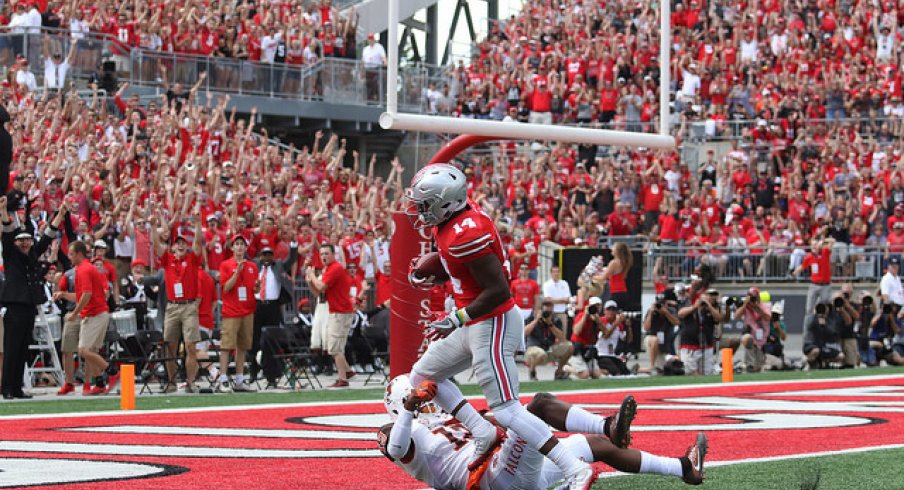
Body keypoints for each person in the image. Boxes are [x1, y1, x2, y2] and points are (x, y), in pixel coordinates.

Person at [403, 164, 593, 488]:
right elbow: (472, 273)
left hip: (491, 321)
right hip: (474, 319)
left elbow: (499, 290)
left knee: (506, 408)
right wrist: (439, 274)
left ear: (445, 203)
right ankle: (482, 431)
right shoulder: (458, 218)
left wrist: (455, 318)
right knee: (422, 375)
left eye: (425, 204)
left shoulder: (465, 234)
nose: (420, 212)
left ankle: (575, 468)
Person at [378, 375, 707, 489]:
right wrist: (409, 409)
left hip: (507, 470)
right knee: (537, 406)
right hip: (488, 480)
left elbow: (495, 427)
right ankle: (606, 428)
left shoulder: (449, 421)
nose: (430, 401)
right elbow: (395, 448)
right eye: (423, 398)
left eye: (428, 395)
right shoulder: (397, 430)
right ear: (401, 403)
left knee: (596, 445)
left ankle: (683, 468)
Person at [0, 196, 63, 399]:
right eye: (22, 240)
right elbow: (7, 235)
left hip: (29, 305)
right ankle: (7, 388)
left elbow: (47, 237)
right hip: (14, 305)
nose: (25, 243)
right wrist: (3, 212)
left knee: (23, 348)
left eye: (27, 240)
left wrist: (60, 215)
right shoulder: (11, 253)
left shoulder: (33, 253)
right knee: (11, 348)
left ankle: (17, 387)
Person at [57, 240, 119, 396]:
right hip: (95, 313)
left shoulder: (84, 269)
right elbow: (81, 295)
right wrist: (63, 294)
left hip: (95, 314)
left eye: (71, 254)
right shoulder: (83, 269)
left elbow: (86, 295)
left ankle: (112, 372)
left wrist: (75, 313)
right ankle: (99, 383)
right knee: (90, 350)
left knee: (83, 350)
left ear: (78, 254)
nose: (69, 257)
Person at [153, 215, 204, 393]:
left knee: (190, 345)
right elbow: (157, 247)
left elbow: (198, 245)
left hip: (189, 305)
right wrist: (153, 227)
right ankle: (172, 383)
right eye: (178, 243)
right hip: (173, 306)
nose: (181, 245)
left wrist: (197, 224)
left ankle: (190, 382)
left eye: (183, 242)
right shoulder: (168, 259)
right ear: (173, 246)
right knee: (170, 345)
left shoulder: (192, 259)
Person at [305, 243, 355, 388]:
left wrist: (313, 276)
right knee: (336, 345)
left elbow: (321, 287)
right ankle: (348, 371)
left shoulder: (335, 268)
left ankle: (342, 379)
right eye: (322, 254)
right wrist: (310, 282)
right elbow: (319, 294)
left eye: (327, 253)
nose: (324, 256)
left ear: (333, 255)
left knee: (333, 348)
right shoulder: (329, 269)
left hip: (340, 312)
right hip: (337, 310)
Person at [217, 235, 259, 393]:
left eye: (242, 244)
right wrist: (237, 273)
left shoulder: (252, 266)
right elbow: (226, 288)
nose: (240, 247)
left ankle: (239, 380)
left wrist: (257, 287)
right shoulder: (225, 265)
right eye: (237, 244)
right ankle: (223, 379)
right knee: (226, 346)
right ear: (232, 247)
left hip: (247, 310)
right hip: (231, 311)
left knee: (243, 346)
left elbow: (253, 290)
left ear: (246, 248)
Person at [252, 241, 298, 383]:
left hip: (273, 307)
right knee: (254, 341)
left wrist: (294, 245)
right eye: (264, 254)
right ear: (260, 256)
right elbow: (245, 256)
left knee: (272, 340)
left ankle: (271, 375)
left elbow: (291, 259)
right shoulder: (254, 266)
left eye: (269, 254)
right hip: (257, 306)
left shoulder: (278, 265)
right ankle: (253, 372)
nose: (266, 257)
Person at [523, 300, 573, 381]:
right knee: (540, 353)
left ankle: (559, 372)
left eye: (549, 311)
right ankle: (532, 370)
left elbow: (562, 337)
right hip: (533, 350)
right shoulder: (531, 318)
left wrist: (550, 324)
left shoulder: (555, 320)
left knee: (569, 347)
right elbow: (525, 333)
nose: (546, 313)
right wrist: (536, 320)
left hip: (549, 348)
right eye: (545, 311)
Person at [677, 289, 722, 375]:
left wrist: (709, 305)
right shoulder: (690, 307)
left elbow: (718, 318)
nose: (703, 302)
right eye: (702, 300)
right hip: (690, 346)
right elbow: (680, 314)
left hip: (707, 346)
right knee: (688, 371)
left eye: (707, 300)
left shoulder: (711, 310)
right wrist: (695, 306)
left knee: (707, 372)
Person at [792, 237, 834, 327]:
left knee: (825, 306)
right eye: (812, 245)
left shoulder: (825, 252)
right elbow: (803, 266)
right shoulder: (809, 257)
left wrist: (823, 241)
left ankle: (824, 325)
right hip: (814, 284)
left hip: (825, 285)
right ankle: (808, 327)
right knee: (809, 308)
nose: (814, 247)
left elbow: (832, 242)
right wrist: (794, 272)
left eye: (816, 245)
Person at [640, 290, 680, 375]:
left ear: (666, 303)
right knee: (654, 339)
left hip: (664, 347)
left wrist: (666, 313)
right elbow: (646, 328)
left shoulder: (671, 310)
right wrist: (651, 312)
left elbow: (676, 322)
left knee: (675, 364)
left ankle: (639, 370)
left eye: (662, 304)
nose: (660, 306)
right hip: (651, 341)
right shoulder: (651, 311)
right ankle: (652, 366)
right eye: (659, 304)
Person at [732, 288, 770, 372]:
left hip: (762, 337)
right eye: (751, 297)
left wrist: (757, 307)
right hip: (750, 335)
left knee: (758, 367)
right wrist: (745, 304)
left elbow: (767, 318)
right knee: (747, 338)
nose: (753, 299)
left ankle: (754, 367)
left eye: (754, 297)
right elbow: (736, 316)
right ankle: (749, 365)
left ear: (758, 297)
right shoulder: (745, 306)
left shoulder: (765, 305)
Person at [803, 301, 847, 369]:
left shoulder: (830, 319)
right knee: (815, 351)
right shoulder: (812, 318)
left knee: (841, 356)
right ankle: (807, 363)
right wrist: (816, 316)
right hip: (812, 345)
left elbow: (833, 332)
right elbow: (809, 325)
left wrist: (825, 325)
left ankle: (823, 364)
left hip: (824, 347)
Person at [571, 296, 605, 379]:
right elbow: (576, 331)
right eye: (594, 306)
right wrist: (585, 316)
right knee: (585, 375)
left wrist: (599, 322)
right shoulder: (581, 315)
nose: (596, 308)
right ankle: (567, 369)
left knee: (598, 375)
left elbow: (606, 333)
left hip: (589, 349)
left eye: (598, 306)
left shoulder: (598, 319)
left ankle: (582, 370)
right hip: (578, 348)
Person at [595, 300, 631, 376]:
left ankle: (602, 372)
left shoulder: (619, 324)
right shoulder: (602, 321)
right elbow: (606, 336)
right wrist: (616, 324)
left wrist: (628, 327)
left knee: (626, 372)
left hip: (612, 355)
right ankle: (598, 371)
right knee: (616, 372)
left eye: (613, 310)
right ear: (604, 311)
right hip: (600, 355)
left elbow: (627, 339)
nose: (611, 312)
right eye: (609, 309)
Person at [599, 242, 633, 307]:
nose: (611, 249)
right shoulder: (623, 262)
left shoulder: (614, 263)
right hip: (623, 291)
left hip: (615, 293)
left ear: (617, 251)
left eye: (613, 247)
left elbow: (603, 277)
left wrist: (591, 276)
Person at [763, 300, 787, 370]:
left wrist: (778, 328)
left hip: (777, 351)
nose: (775, 316)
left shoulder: (780, 323)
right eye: (774, 314)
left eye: (777, 315)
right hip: (766, 351)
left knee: (787, 363)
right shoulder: (766, 322)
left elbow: (783, 338)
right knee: (778, 364)